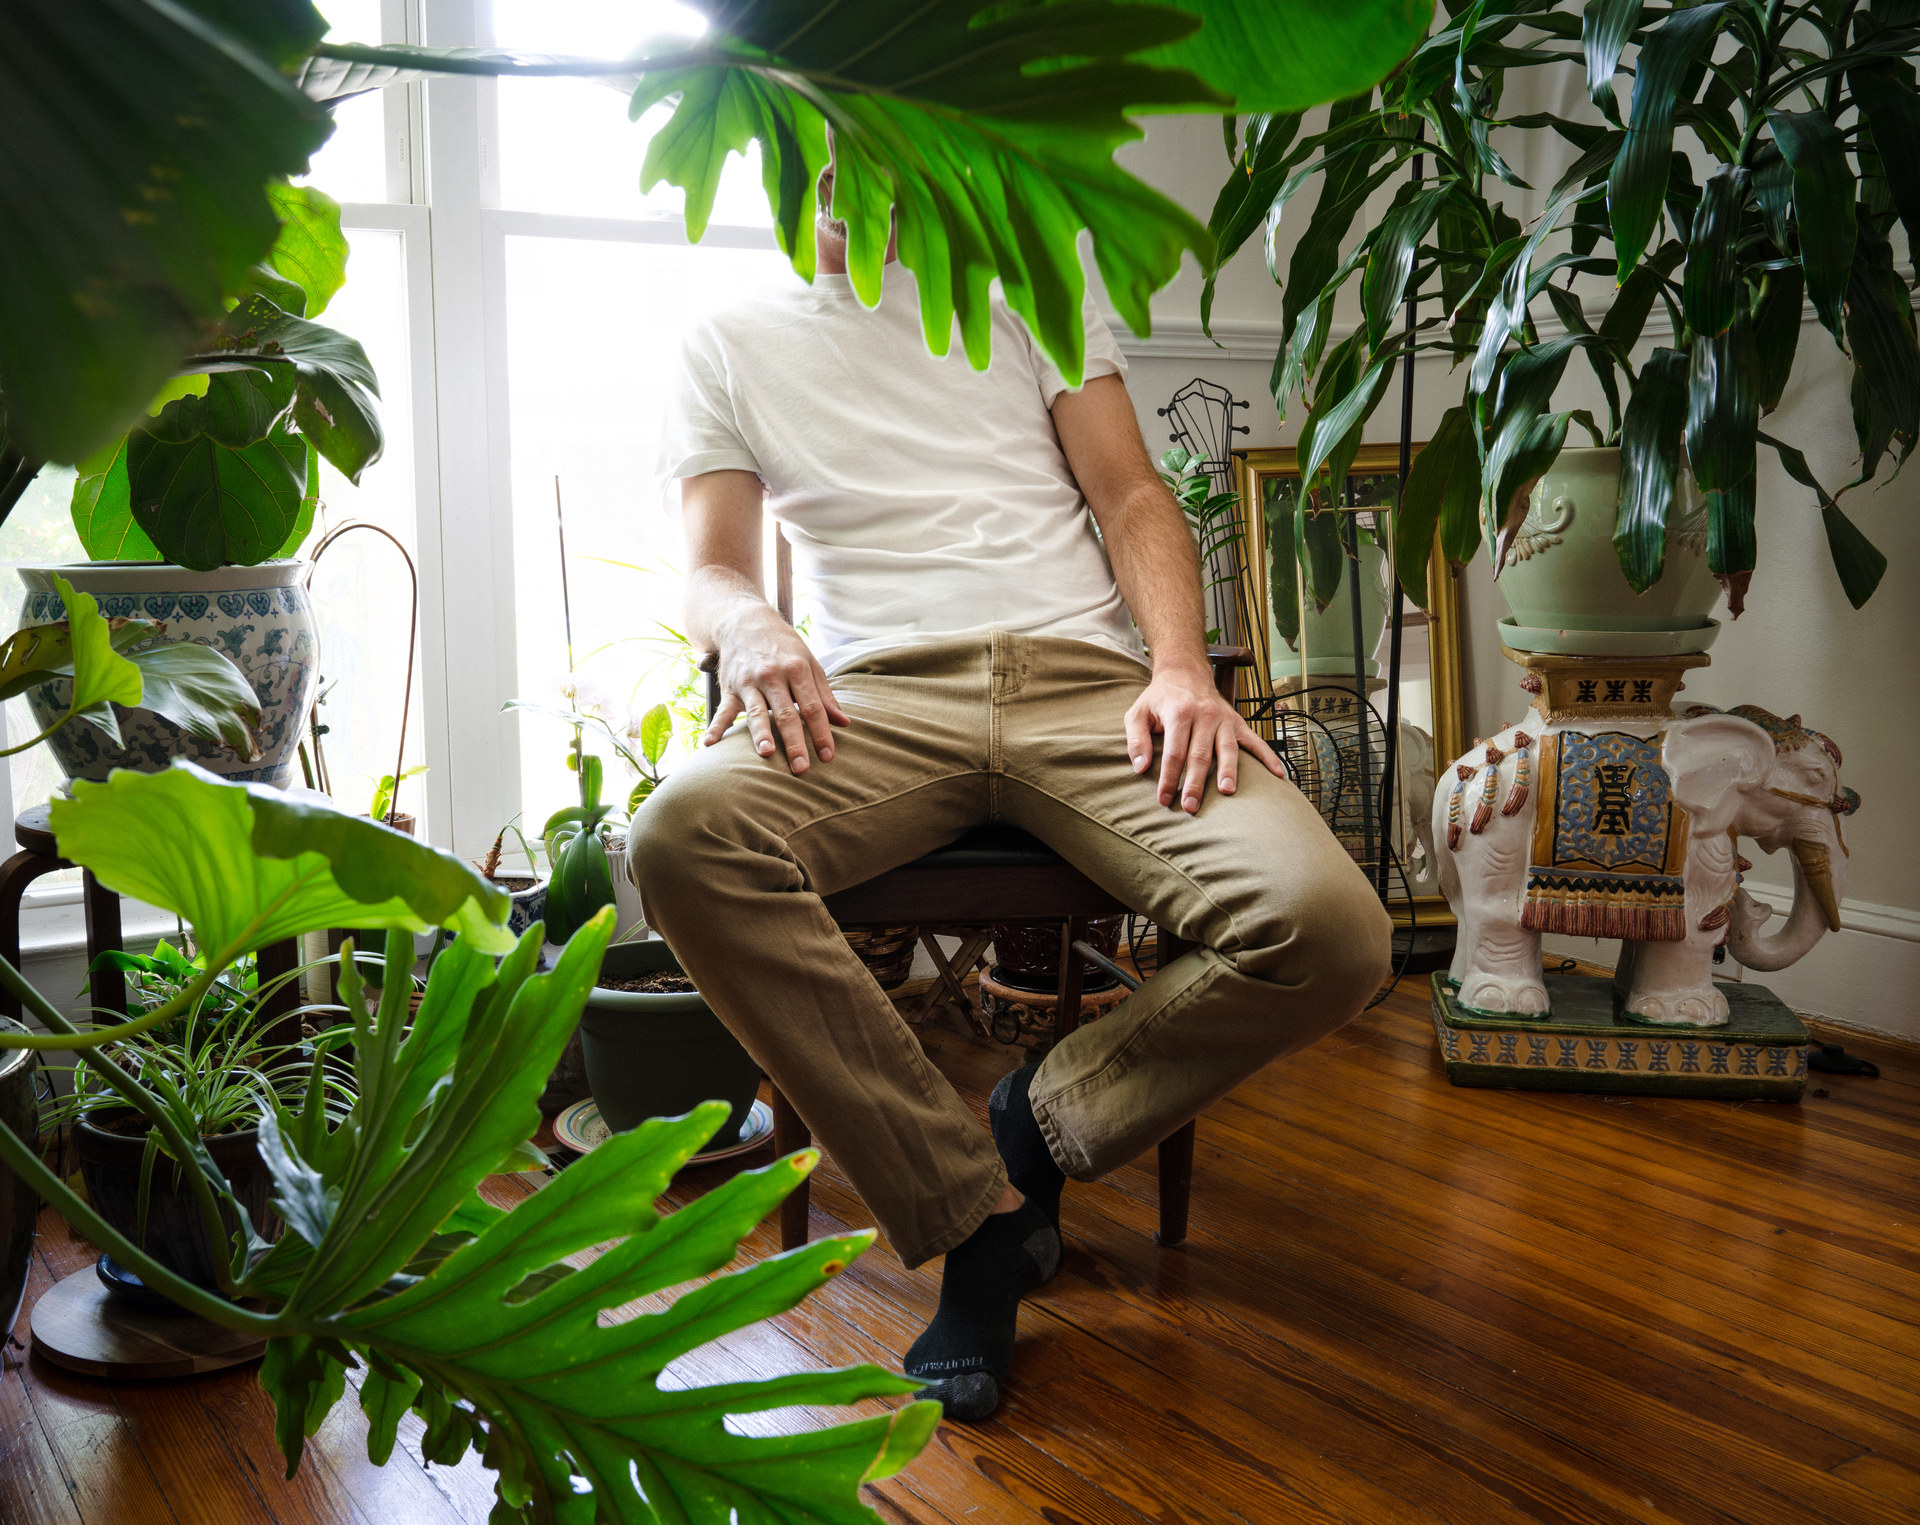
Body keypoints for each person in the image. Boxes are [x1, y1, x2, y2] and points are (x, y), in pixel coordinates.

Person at [630, 163, 1392, 1423]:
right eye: (805, 123)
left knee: (1333, 928)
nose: (836, 155)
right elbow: (711, 566)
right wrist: (757, 626)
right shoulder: (729, 338)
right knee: (679, 835)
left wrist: (1184, 670)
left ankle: (1031, 1127)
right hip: (872, 696)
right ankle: (975, 1213)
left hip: (1087, 683)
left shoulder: (1030, 272)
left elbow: (1131, 492)